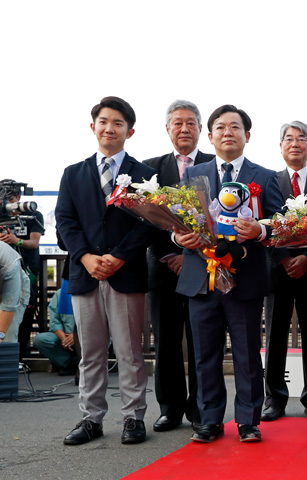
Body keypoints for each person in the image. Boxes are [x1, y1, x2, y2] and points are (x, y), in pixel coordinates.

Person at [174, 104, 284, 444]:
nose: (227, 133)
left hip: (245, 278)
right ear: (210, 136)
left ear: (246, 135)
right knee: (204, 354)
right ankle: (209, 420)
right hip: (201, 277)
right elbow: (179, 221)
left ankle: (248, 421)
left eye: (235, 127)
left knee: (247, 354)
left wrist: (260, 230)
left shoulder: (265, 176)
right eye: (220, 127)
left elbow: (281, 223)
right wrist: (178, 238)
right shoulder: (192, 175)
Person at [56, 96, 155, 446]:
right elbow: (65, 221)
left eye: (117, 123)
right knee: (91, 353)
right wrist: (84, 256)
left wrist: (120, 256)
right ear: (93, 126)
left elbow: (149, 224)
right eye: (103, 121)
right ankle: (91, 418)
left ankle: (133, 417)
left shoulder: (145, 175)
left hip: (126, 273)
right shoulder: (73, 173)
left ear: (130, 131)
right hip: (85, 274)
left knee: (129, 352)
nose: (109, 128)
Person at [143, 100, 214, 433]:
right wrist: (170, 251)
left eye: (191, 123)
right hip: (163, 269)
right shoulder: (150, 169)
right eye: (177, 123)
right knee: (166, 342)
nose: (184, 129)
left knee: (202, 340)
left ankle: (200, 408)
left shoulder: (214, 167)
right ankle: (169, 409)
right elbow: (144, 221)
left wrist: (192, 255)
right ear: (167, 128)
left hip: (205, 267)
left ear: (200, 129)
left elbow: (219, 218)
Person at [262, 121, 307, 422]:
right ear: (281, 146)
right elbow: (262, 223)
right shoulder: (268, 181)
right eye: (289, 139)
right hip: (278, 271)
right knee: (275, 335)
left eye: (302, 139)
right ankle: (274, 399)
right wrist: (284, 258)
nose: (295, 144)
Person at [0, 180, 44, 358]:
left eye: (11, 198)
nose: (8, 202)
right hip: (4, 268)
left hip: (27, 270)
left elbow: (34, 242)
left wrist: (15, 241)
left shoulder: (33, 215)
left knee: (24, 314)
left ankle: (19, 358)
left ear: (19, 197)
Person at [32, 287, 78, 375]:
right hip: (65, 338)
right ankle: (69, 363)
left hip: (86, 337)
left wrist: (76, 336)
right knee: (40, 340)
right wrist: (63, 338)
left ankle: (79, 362)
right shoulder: (60, 293)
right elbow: (54, 322)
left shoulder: (92, 292)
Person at [0, 241, 29, 344]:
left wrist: (1, 334)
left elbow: (9, 307)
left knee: (6, 337)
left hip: (14, 289)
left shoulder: (8, 263)